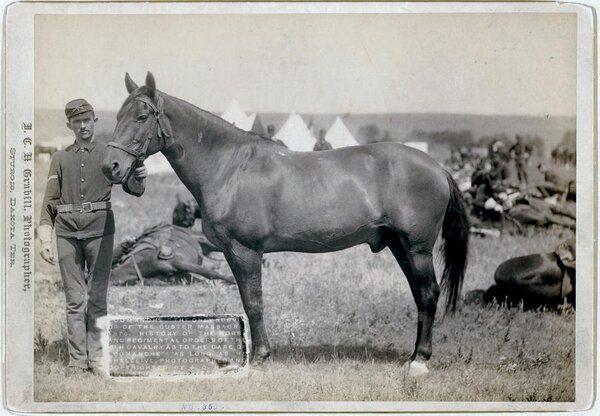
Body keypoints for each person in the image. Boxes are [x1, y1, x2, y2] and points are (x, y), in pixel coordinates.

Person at [38, 99, 147, 376]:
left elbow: (133, 188)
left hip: (100, 232)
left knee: (97, 298)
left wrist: (139, 176)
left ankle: (97, 359)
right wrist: (44, 238)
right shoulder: (60, 158)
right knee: (75, 300)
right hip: (66, 234)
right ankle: (77, 362)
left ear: (95, 121)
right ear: (70, 125)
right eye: (77, 121)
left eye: (87, 120)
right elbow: (49, 203)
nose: (83, 125)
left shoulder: (108, 154)